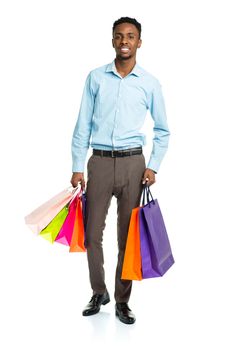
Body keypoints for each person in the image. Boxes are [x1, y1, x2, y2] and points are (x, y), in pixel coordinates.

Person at [70, 17, 170, 325]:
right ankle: (99, 291)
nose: (124, 40)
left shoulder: (149, 83)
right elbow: (83, 124)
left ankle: (123, 300)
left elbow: (163, 130)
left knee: (128, 237)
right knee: (91, 233)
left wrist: (153, 166)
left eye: (130, 36)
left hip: (133, 166)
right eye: (119, 36)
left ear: (139, 42)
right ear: (112, 41)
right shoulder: (95, 78)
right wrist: (77, 166)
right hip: (98, 163)